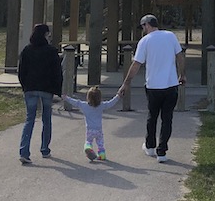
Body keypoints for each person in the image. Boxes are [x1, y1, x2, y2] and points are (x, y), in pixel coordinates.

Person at [117, 14, 186, 163]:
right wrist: (182, 75)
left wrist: (126, 82)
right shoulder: (170, 36)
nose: (143, 30)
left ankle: (150, 146)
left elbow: (136, 64)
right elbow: (180, 56)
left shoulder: (145, 41)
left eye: (142, 27)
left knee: (152, 117)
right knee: (167, 118)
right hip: (171, 84)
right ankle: (162, 152)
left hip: (154, 86)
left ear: (146, 25)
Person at [17, 23, 63, 164]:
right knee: (46, 119)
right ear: (45, 35)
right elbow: (57, 72)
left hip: (30, 88)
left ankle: (24, 151)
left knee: (29, 119)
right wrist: (57, 90)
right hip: (46, 89)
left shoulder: (27, 50)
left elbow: (21, 71)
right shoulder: (51, 51)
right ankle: (45, 149)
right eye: (48, 35)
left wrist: (25, 86)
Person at [62, 85, 120, 161]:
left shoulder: (84, 105)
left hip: (90, 129)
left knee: (88, 141)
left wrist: (66, 98)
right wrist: (118, 96)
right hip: (99, 129)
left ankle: (88, 148)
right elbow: (110, 103)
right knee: (100, 143)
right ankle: (102, 155)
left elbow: (75, 102)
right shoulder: (102, 105)